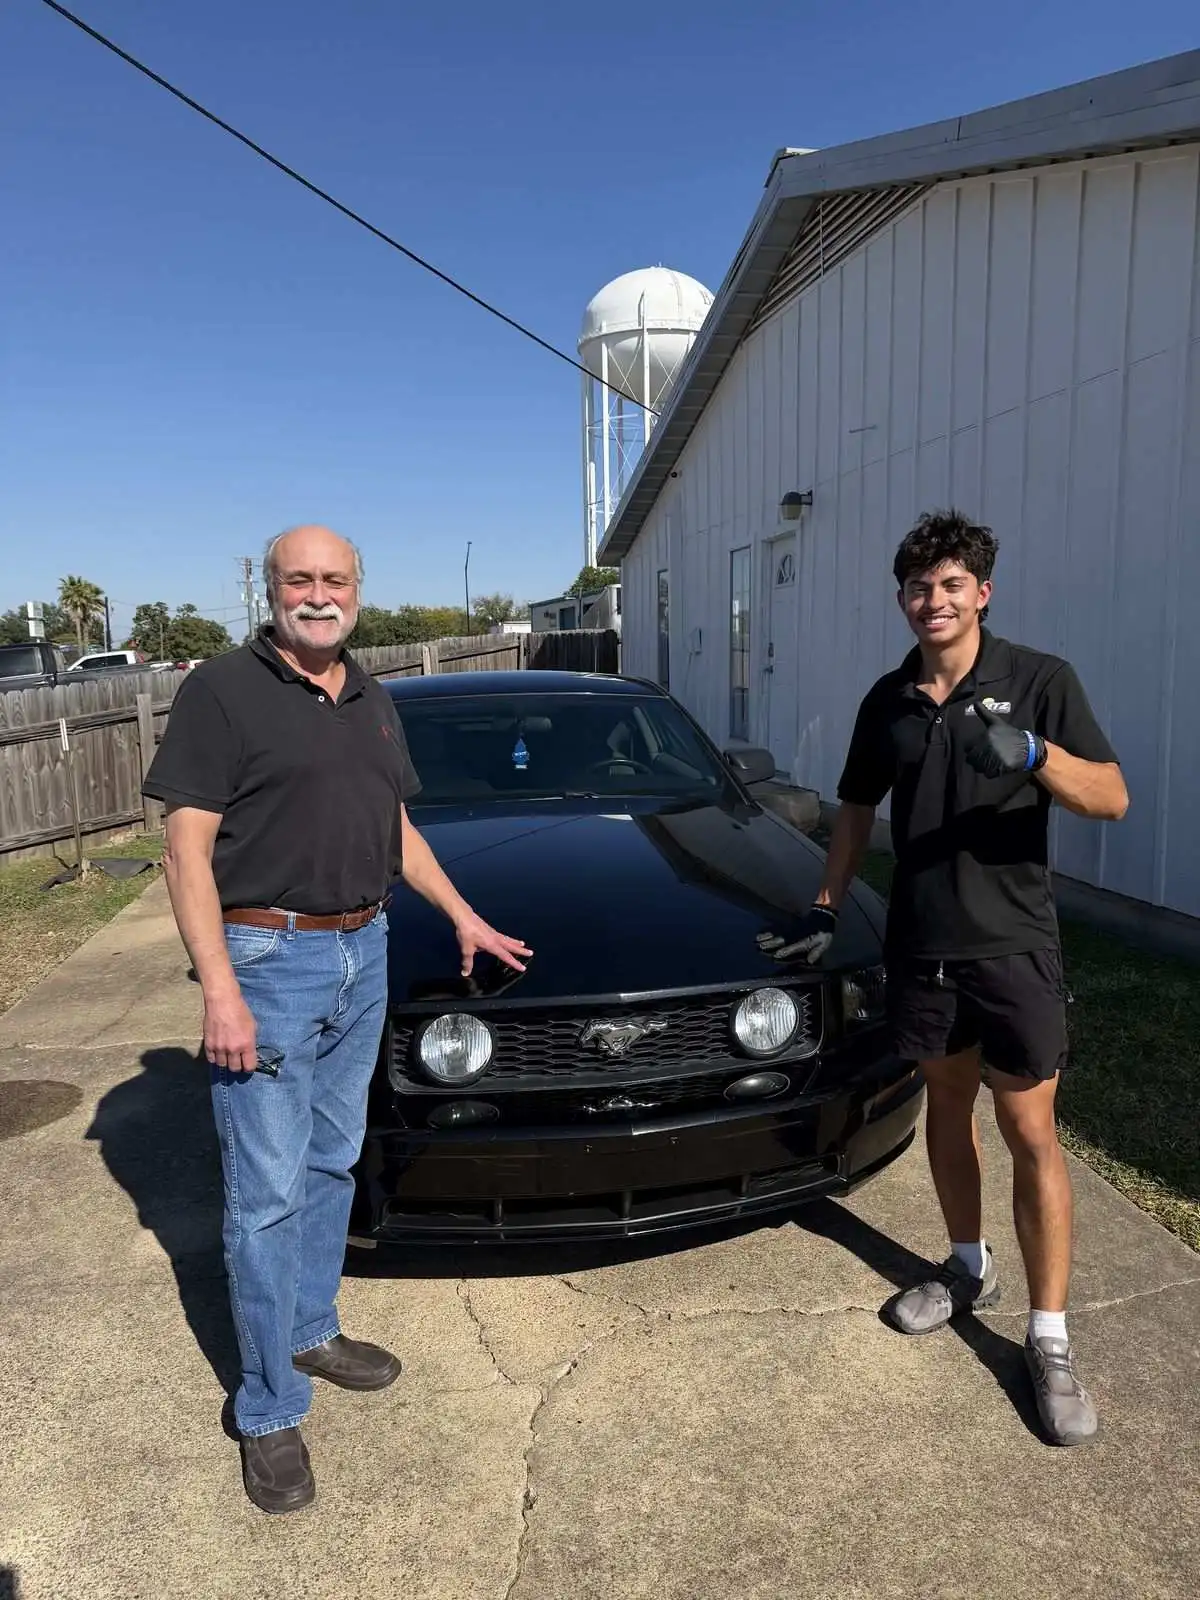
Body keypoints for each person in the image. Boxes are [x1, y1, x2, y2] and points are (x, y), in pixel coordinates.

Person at [142, 524, 531, 1513]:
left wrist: (463, 912)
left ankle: (312, 1325)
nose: (318, 593)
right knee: (263, 1196)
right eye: (299, 579)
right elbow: (186, 851)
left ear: (359, 589)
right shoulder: (221, 691)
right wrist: (219, 984)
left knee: (329, 1160)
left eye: (335, 579)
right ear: (270, 589)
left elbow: (393, 827)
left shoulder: (368, 694)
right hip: (268, 959)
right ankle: (269, 1409)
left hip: (366, 951)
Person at [769, 509, 1127, 1447]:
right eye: (919, 587)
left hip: (1012, 947)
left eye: (952, 584)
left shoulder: (1039, 681)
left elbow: (1114, 797)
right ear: (904, 599)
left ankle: (1047, 1337)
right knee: (947, 1112)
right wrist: (823, 903)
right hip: (922, 948)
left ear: (983, 593)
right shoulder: (886, 699)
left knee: (1030, 1129)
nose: (935, 600)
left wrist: (1041, 758)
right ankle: (968, 1267)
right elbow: (853, 809)